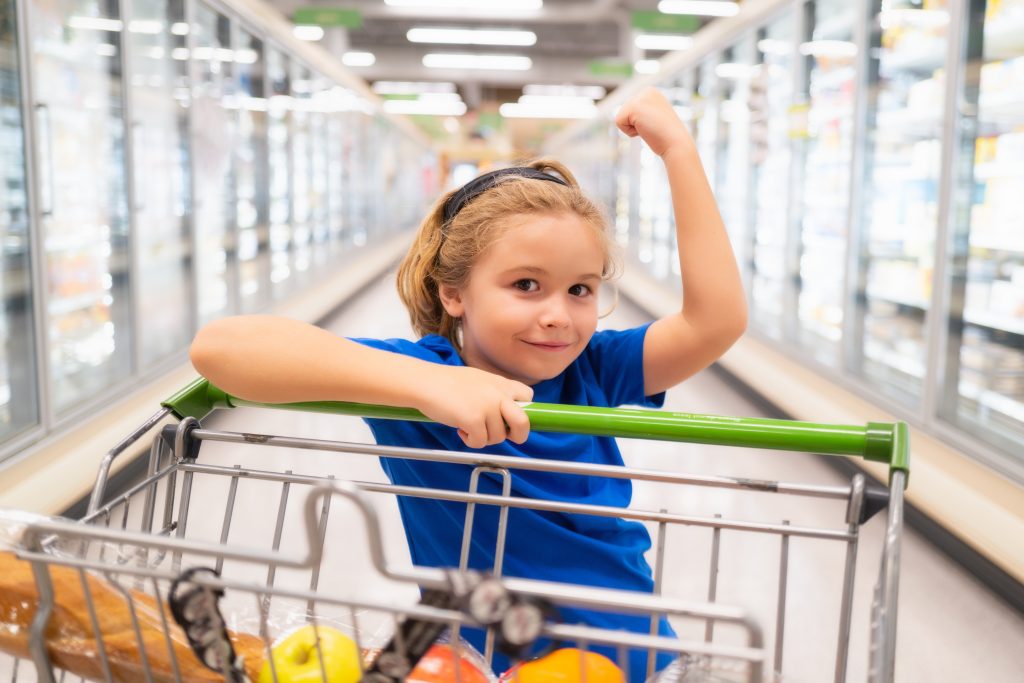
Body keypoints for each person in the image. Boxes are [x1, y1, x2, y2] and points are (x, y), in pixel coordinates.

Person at [190, 87, 747, 681]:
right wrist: (424, 385)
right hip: (478, 666)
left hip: (631, 660)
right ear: (453, 293)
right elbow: (220, 348)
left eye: (580, 289)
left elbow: (715, 322)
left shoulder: (595, 368)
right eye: (526, 285)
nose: (559, 314)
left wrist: (678, 152)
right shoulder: (420, 377)